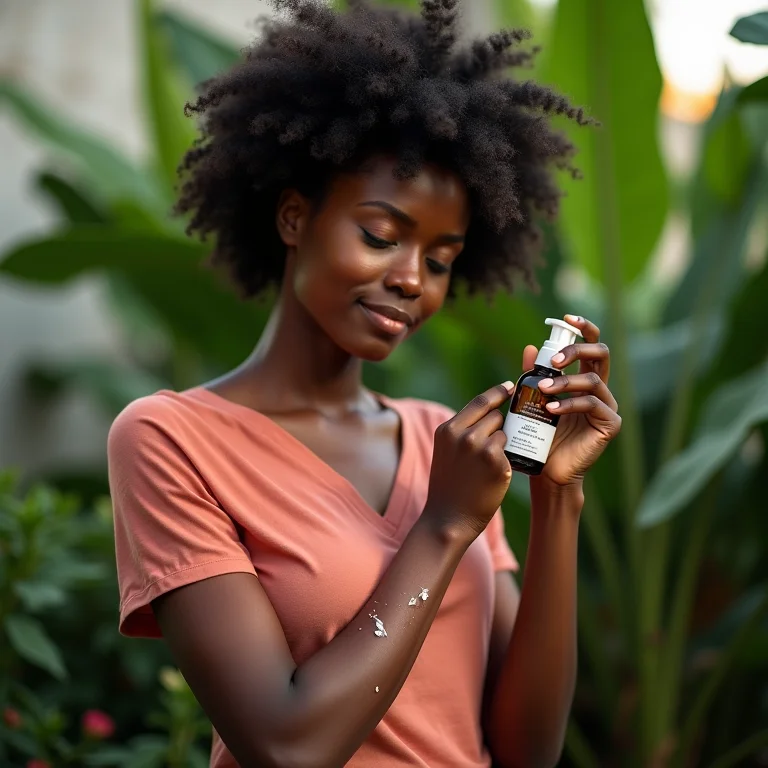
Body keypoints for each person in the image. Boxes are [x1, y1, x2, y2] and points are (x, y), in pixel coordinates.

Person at [107, 1, 622, 766]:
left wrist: (556, 500)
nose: (411, 279)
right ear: (293, 218)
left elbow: (528, 750)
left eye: (441, 260)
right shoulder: (173, 439)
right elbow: (287, 747)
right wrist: (443, 526)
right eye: (380, 235)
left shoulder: (432, 437)